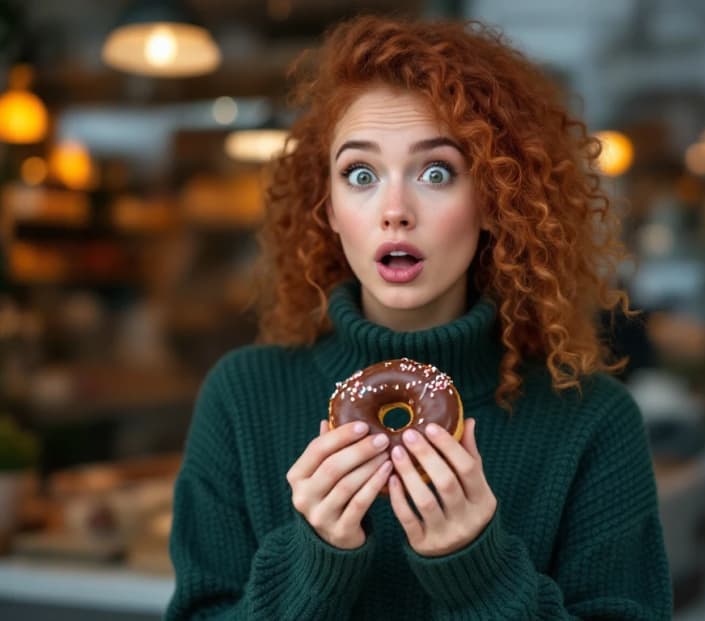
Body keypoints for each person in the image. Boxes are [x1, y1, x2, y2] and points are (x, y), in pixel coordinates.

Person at [165, 15, 672, 620]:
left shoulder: (594, 425)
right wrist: (315, 562)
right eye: (361, 174)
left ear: (494, 198)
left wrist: (476, 569)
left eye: (436, 172)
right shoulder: (243, 399)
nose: (395, 210)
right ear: (328, 208)